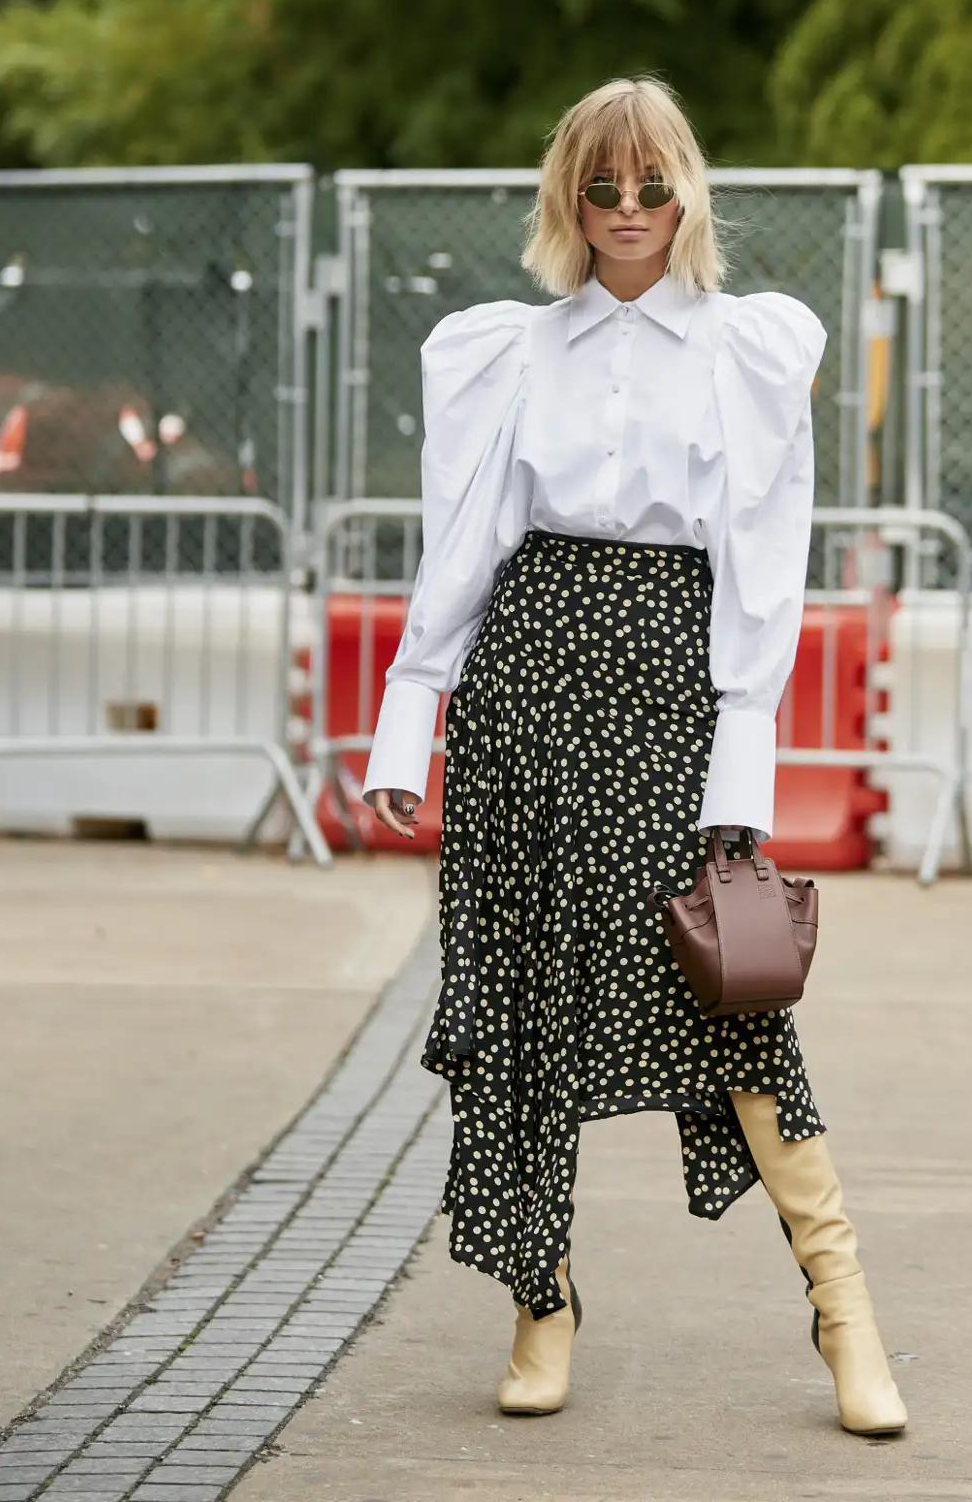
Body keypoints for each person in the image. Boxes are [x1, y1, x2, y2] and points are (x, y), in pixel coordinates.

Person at [362, 76, 906, 1435]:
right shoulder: (506, 351)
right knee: (526, 1004)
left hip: (673, 685)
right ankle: (538, 1302)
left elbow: (764, 572)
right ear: (566, 195)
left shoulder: (749, 349)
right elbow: (464, 547)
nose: (624, 213)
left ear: (688, 193)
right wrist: (408, 712)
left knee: (734, 992)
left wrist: (741, 773)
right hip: (527, 687)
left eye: (649, 187)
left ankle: (845, 1312)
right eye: (599, 188)